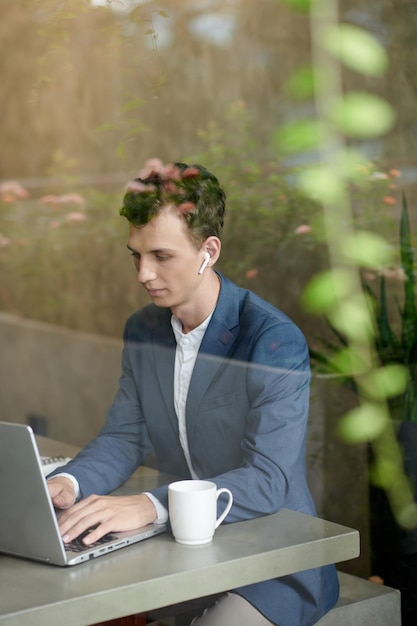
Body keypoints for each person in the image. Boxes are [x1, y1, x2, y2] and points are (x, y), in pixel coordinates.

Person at [47, 159, 339, 626]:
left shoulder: (270, 339)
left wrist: (150, 504)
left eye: (161, 256)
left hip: (272, 554)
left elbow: (267, 479)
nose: (143, 274)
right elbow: (125, 436)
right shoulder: (143, 329)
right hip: (180, 551)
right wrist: (68, 484)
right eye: (135, 256)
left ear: (209, 251)